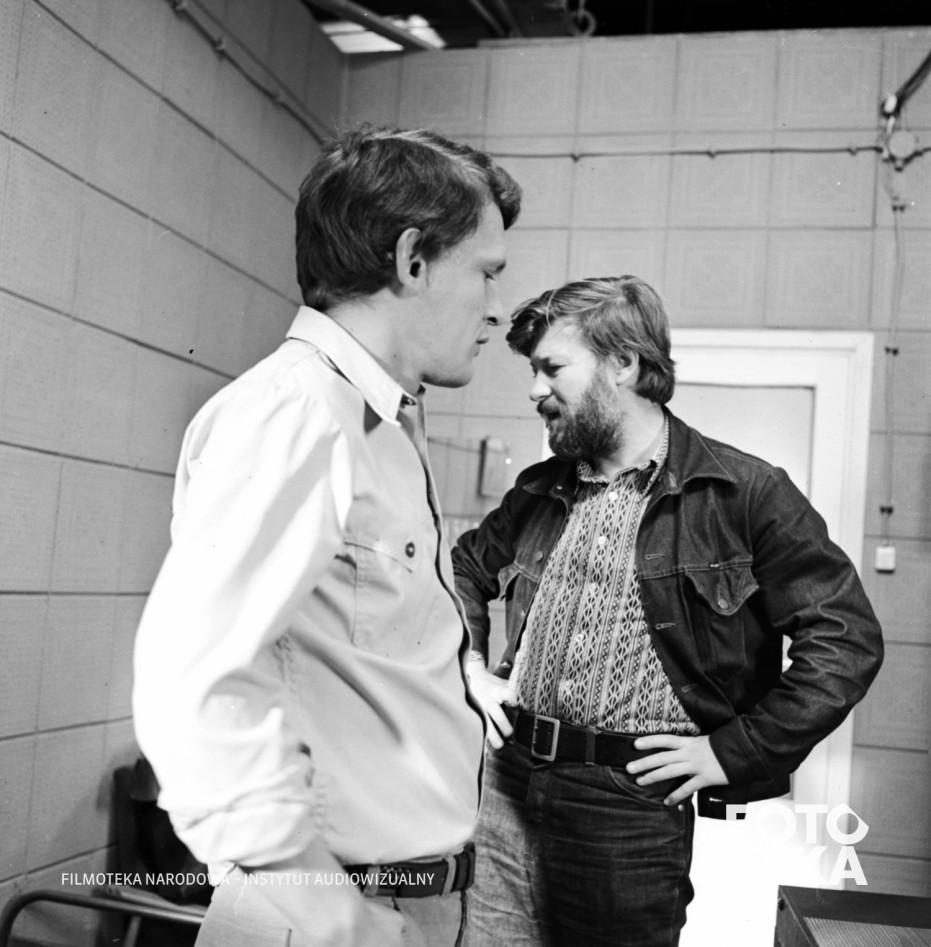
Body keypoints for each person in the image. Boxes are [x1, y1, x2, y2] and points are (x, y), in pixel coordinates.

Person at [133, 125, 521, 947]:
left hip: (403, 901)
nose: (497, 308)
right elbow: (193, 691)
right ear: (411, 260)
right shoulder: (297, 412)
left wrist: (459, 680)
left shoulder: (378, 419)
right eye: (486, 272)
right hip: (330, 913)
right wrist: (337, 920)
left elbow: (349, 641)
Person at [451, 275, 883, 947]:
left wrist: (733, 751)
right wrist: (470, 665)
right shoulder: (537, 489)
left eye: (551, 368)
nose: (534, 389)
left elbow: (845, 639)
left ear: (623, 363)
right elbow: (462, 569)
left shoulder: (745, 493)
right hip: (505, 782)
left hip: (629, 804)